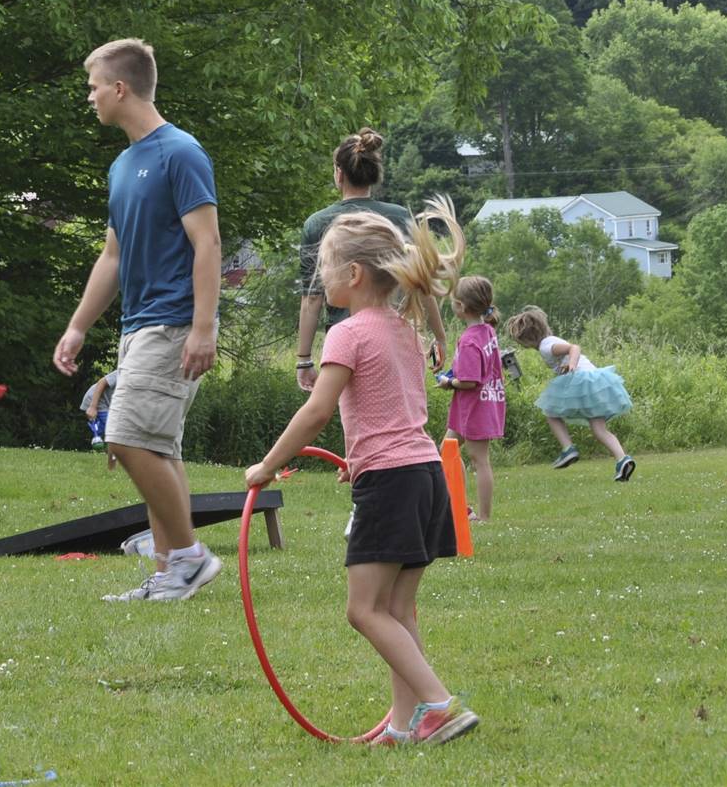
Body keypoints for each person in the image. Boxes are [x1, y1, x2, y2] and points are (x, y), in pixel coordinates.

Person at [246, 198, 479, 746]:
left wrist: (268, 464)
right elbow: (392, 406)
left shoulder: (345, 334)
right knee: (396, 609)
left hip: (393, 482)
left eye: (323, 268)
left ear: (352, 275)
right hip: (424, 474)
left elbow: (317, 410)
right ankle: (402, 727)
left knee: (363, 610)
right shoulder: (403, 328)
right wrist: (360, 456)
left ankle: (438, 705)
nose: (319, 278)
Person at [52, 38, 224, 603]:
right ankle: (172, 570)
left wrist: (204, 326)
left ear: (120, 88)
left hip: (173, 323)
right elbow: (114, 256)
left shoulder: (182, 153)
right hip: (137, 326)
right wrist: (79, 326)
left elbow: (208, 242)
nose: (90, 98)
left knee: (126, 437)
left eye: (94, 87)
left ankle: (189, 558)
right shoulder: (124, 164)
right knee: (158, 446)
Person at [295, 129, 447, 392]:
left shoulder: (318, 223)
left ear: (339, 173)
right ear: (374, 174)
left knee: (356, 417)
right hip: (397, 337)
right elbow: (421, 284)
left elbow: (312, 297)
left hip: (344, 340)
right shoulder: (400, 218)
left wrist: (304, 359)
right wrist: (440, 338)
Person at [505, 307, 636, 481]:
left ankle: (568, 448)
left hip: (581, 380)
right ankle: (623, 460)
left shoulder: (546, 346)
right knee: (599, 429)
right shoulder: (549, 342)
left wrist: (572, 366)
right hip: (594, 380)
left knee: (551, 412)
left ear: (527, 339)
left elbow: (574, 348)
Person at [437, 276, 505, 521]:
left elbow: (470, 381)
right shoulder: (486, 330)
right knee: (447, 452)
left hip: (476, 407)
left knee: (479, 460)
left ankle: (484, 517)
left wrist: (448, 382)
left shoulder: (469, 340)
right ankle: (460, 507)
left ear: (461, 307)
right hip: (475, 405)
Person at [80, 368, 117, 448]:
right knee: (113, 428)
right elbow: (102, 382)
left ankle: (96, 441)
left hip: (108, 403)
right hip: (97, 399)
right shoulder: (124, 371)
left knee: (104, 429)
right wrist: (93, 407)